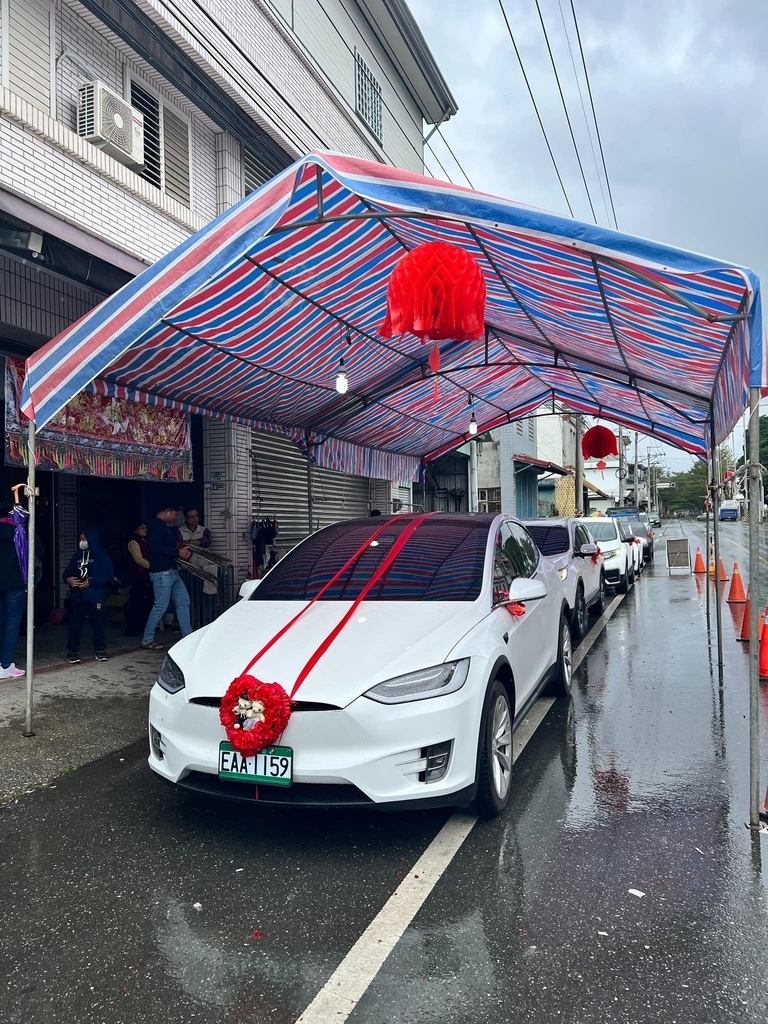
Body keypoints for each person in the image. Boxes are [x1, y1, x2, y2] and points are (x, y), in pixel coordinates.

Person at [142, 506, 192, 650]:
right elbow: (156, 548)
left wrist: (178, 551)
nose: (175, 518)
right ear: (168, 512)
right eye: (175, 515)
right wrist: (178, 552)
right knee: (160, 606)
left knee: (184, 601)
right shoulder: (155, 526)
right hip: (161, 572)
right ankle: (147, 639)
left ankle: (187, 636)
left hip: (171, 570)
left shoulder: (161, 526)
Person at [64, 528, 114, 664]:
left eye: (84, 539)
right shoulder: (77, 557)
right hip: (77, 596)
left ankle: (100, 650)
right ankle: (72, 651)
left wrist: (91, 582)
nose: (82, 542)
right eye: (80, 539)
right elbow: (67, 572)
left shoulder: (102, 557)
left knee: (98, 624)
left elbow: (107, 575)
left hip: (95, 595)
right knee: (75, 624)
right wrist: (68, 579)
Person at [0, 486, 29, 680]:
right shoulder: (18, 531)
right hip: (15, 585)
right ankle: (5, 665)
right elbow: (38, 551)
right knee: (11, 624)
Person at [178, 507, 216, 597]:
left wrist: (188, 542)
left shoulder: (204, 530)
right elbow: (179, 545)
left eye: (196, 516)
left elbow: (206, 542)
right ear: (186, 518)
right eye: (191, 516)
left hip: (203, 568)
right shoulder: (180, 531)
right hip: (186, 567)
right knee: (189, 593)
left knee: (204, 594)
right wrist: (197, 542)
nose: (195, 518)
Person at [125, 522, 153, 637]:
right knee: (136, 601)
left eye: (145, 528)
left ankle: (142, 626)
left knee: (146, 602)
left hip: (147, 575)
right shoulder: (133, 543)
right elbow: (138, 559)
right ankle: (132, 628)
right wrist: (153, 566)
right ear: (135, 530)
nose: (144, 530)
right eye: (141, 528)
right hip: (138, 575)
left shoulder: (146, 542)